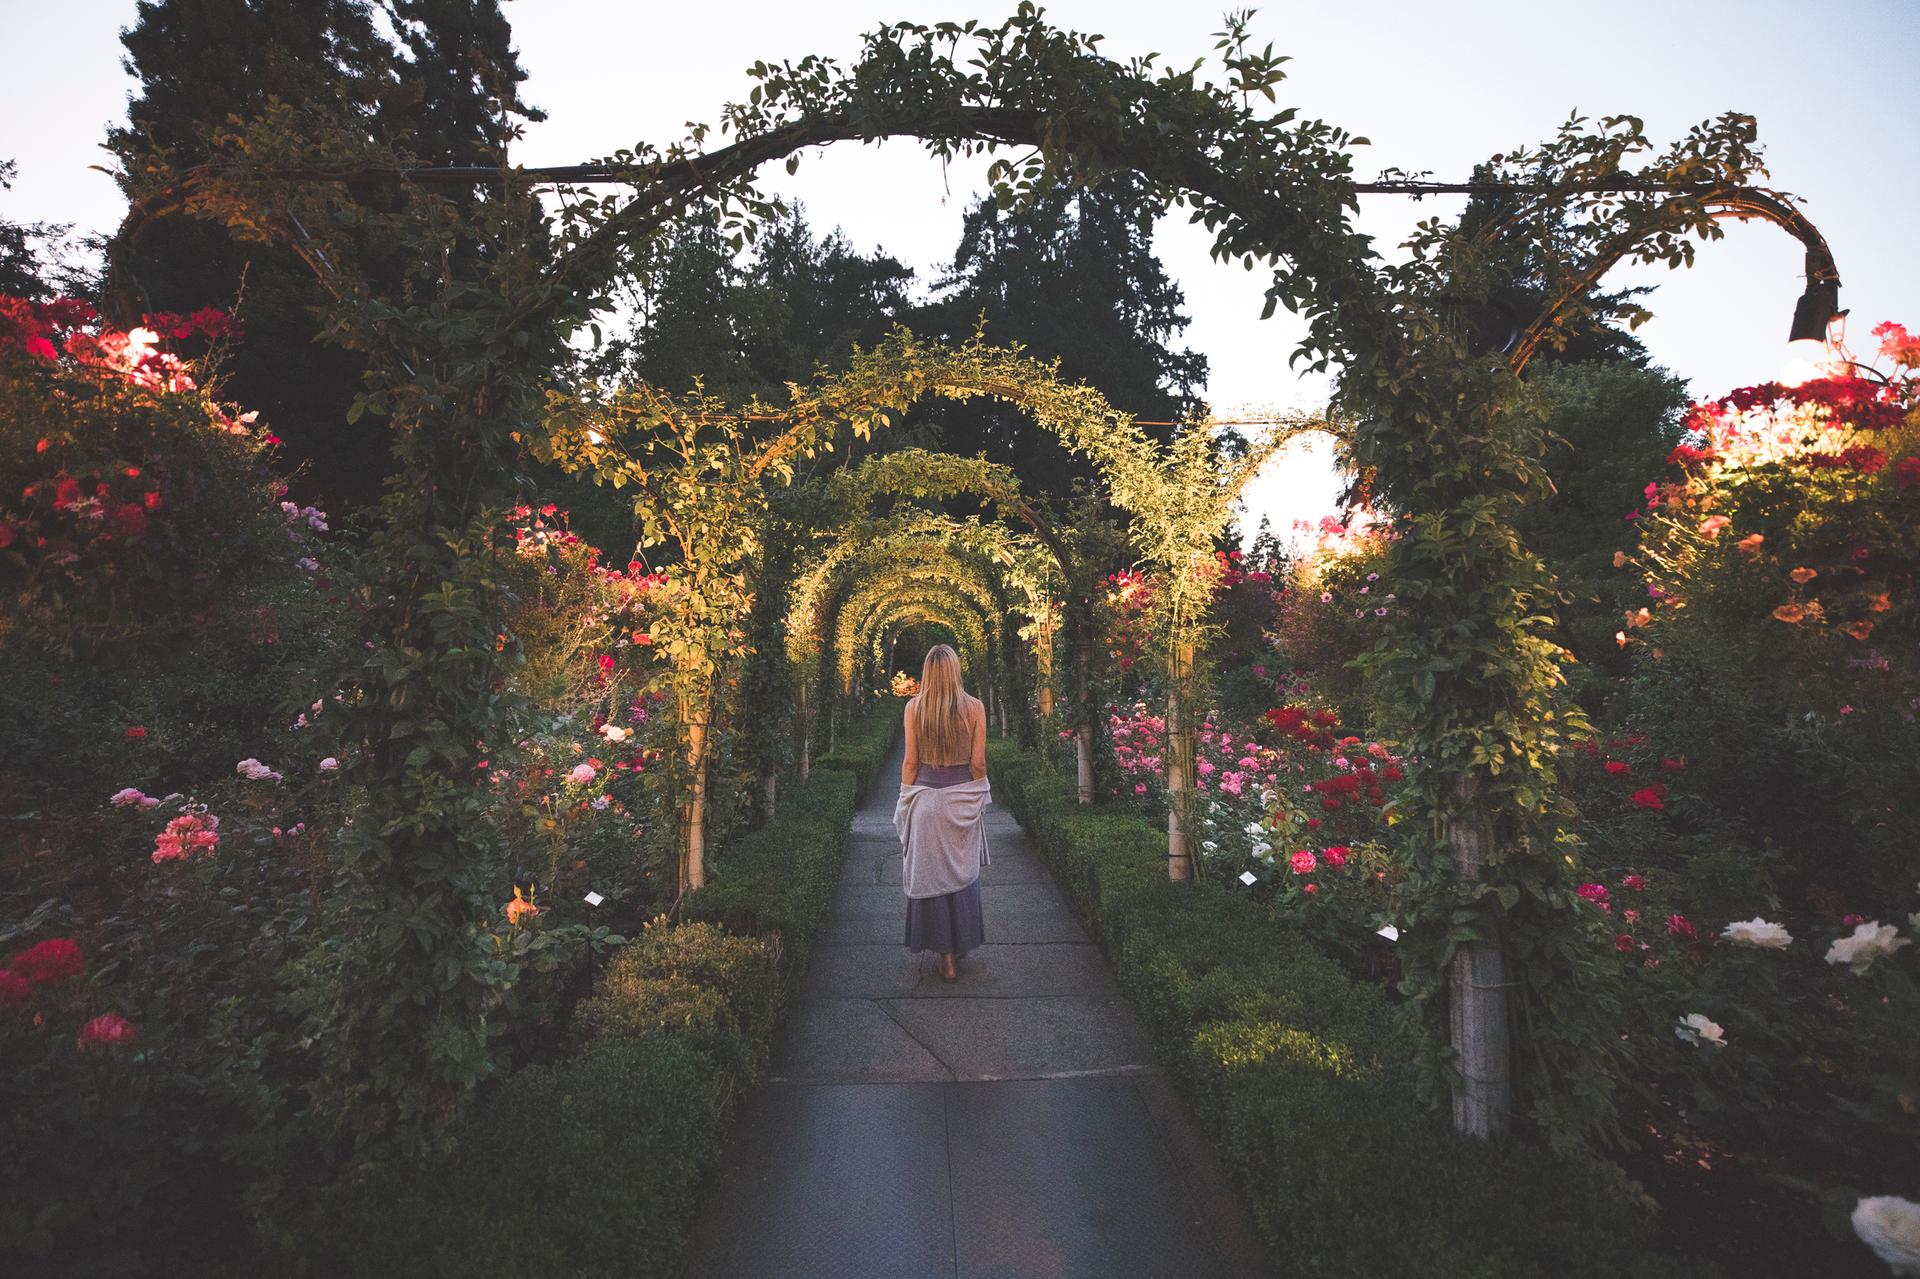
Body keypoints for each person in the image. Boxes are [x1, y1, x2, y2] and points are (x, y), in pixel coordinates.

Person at [893, 644, 990, 983]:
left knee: (931, 875)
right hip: (961, 800)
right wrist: (979, 796)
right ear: (955, 671)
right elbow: (977, 763)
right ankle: (959, 946)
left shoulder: (913, 708)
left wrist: (905, 801)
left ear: (926, 673)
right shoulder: (975, 708)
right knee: (961, 874)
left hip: (925, 801)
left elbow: (910, 762)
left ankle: (945, 958)